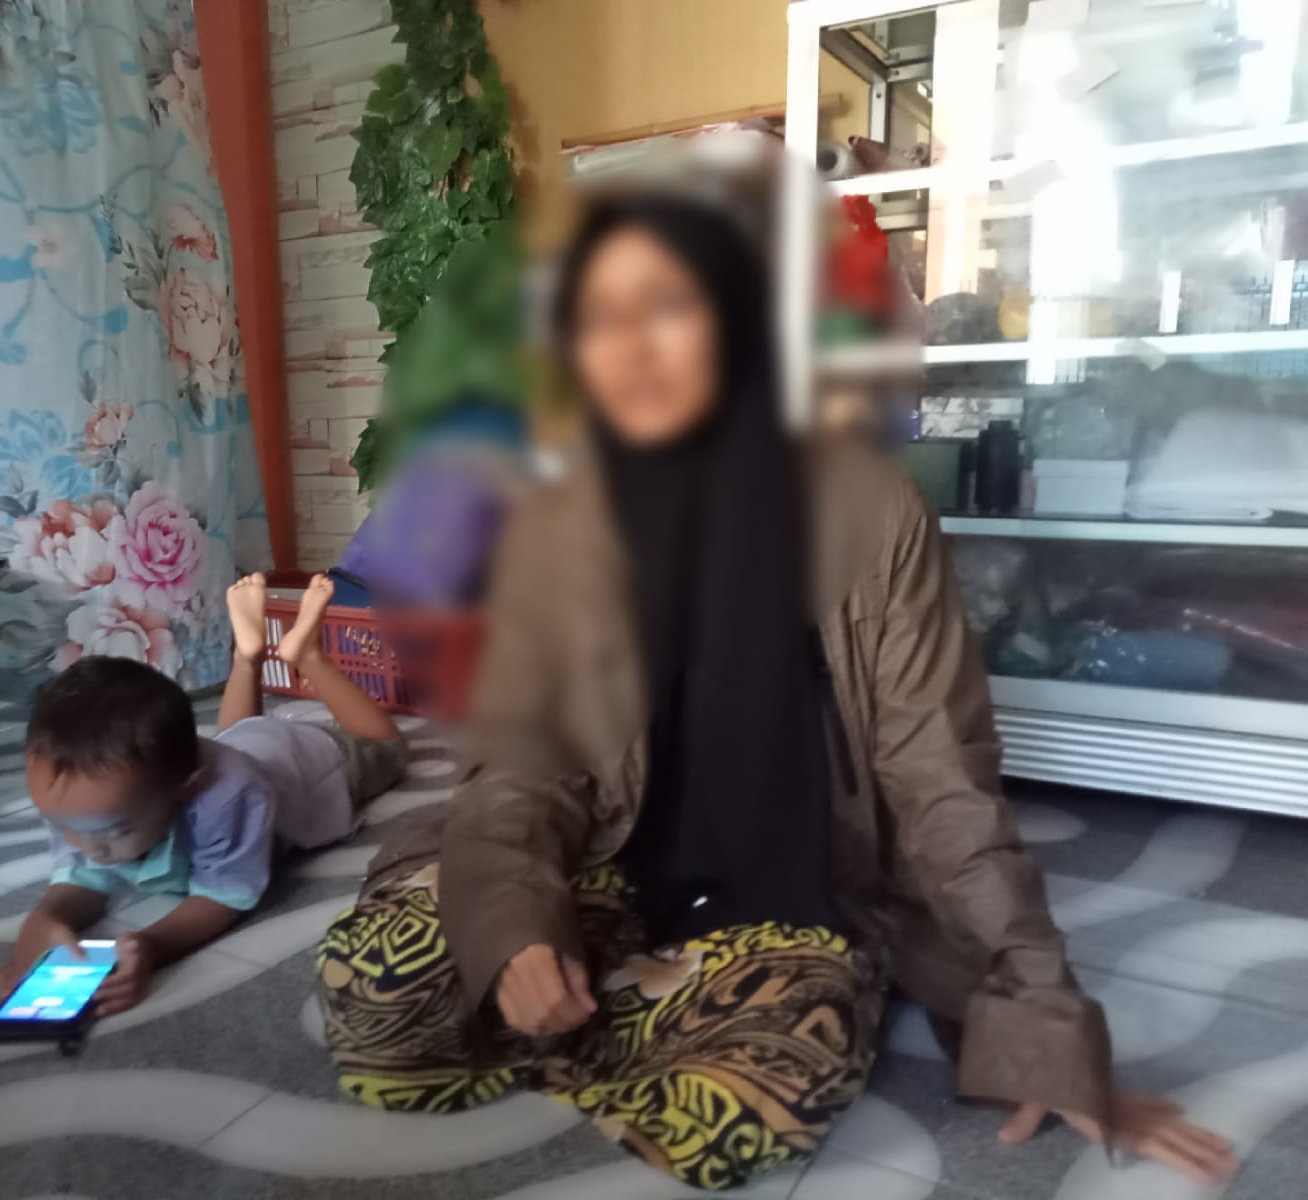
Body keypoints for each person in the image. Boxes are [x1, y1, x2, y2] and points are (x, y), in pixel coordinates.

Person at [314, 196, 1238, 1191]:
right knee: (380, 993)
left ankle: (653, 1008)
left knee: (755, 1105)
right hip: (598, 862)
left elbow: (941, 781)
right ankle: (634, 1002)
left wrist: (1044, 1030)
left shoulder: (878, 517)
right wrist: (518, 931)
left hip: (786, 893)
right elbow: (522, 767)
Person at [0, 573, 407, 1015]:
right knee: (235, 737)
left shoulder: (230, 797)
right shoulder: (77, 800)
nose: (87, 847)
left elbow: (224, 895)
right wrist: (46, 919)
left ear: (185, 790)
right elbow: (81, 879)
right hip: (238, 745)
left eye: (114, 830)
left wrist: (153, 944)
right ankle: (248, 656)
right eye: (62, 826)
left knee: (390, 749)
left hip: (312, 762)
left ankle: (307, 655)